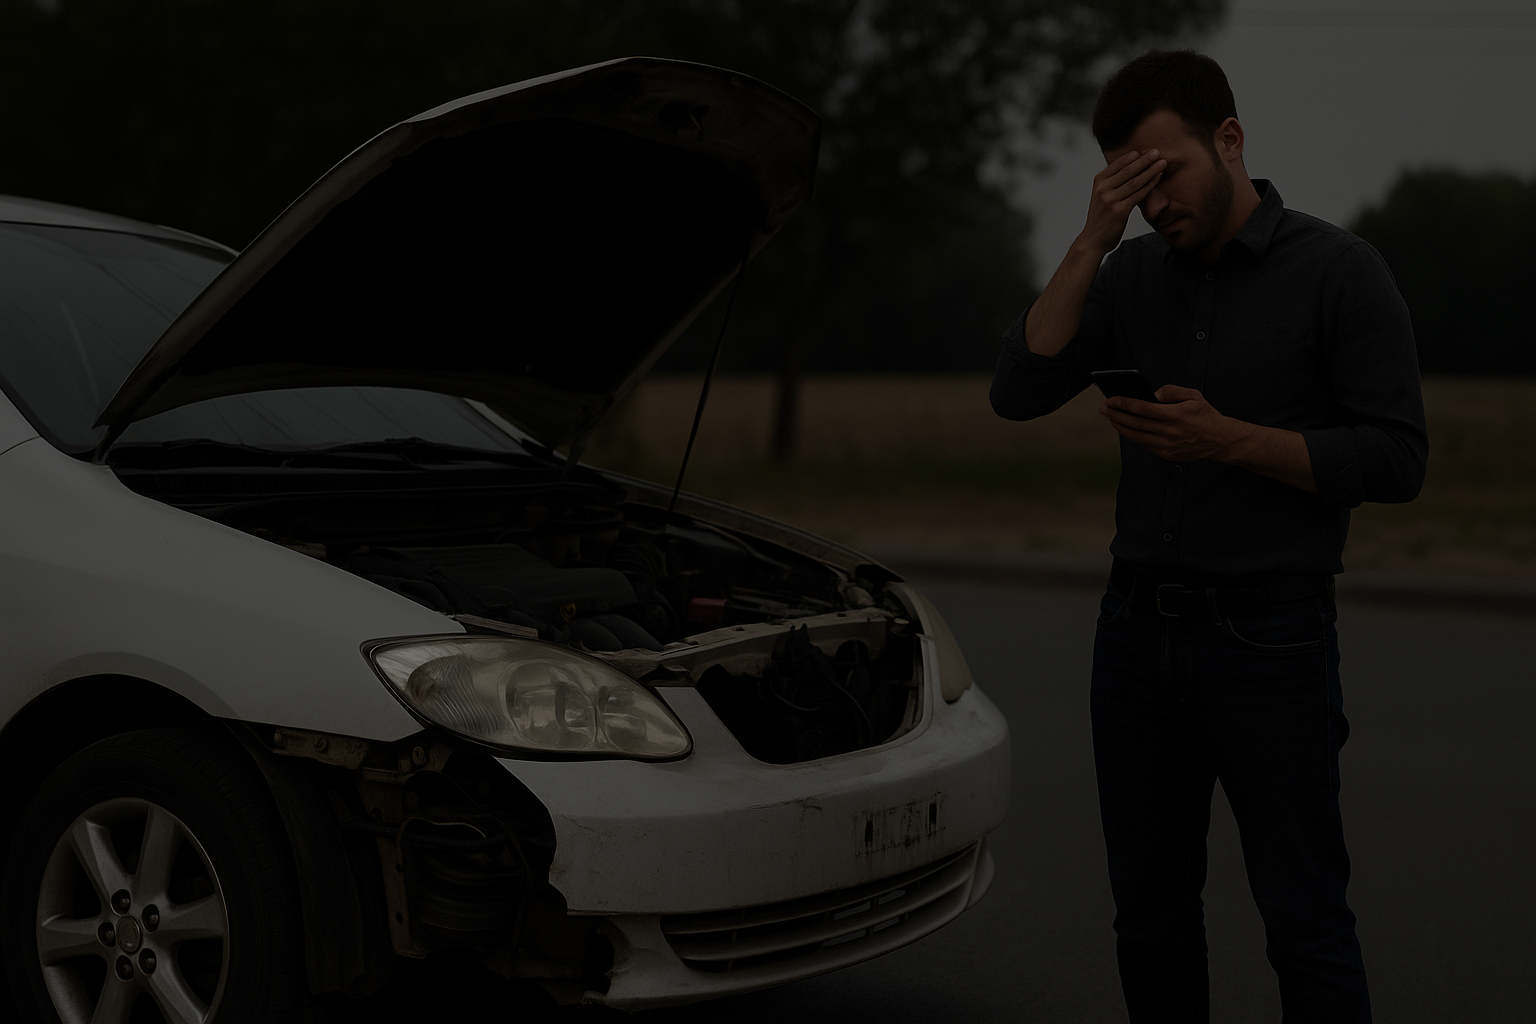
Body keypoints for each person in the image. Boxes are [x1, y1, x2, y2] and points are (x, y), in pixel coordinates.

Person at [991, 51, 1427, 1023]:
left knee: (1303, 924)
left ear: (1229, 139)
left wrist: (1226, 439)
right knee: (1149, 922)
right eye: (1128, 185)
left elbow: (1399, 459)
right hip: (1134, 639)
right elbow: (1017, 391)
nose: (1153, 205)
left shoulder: (1340, 272)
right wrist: (1091, 238)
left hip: (1273, 644)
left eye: (1164, 173)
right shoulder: (1130, 272)